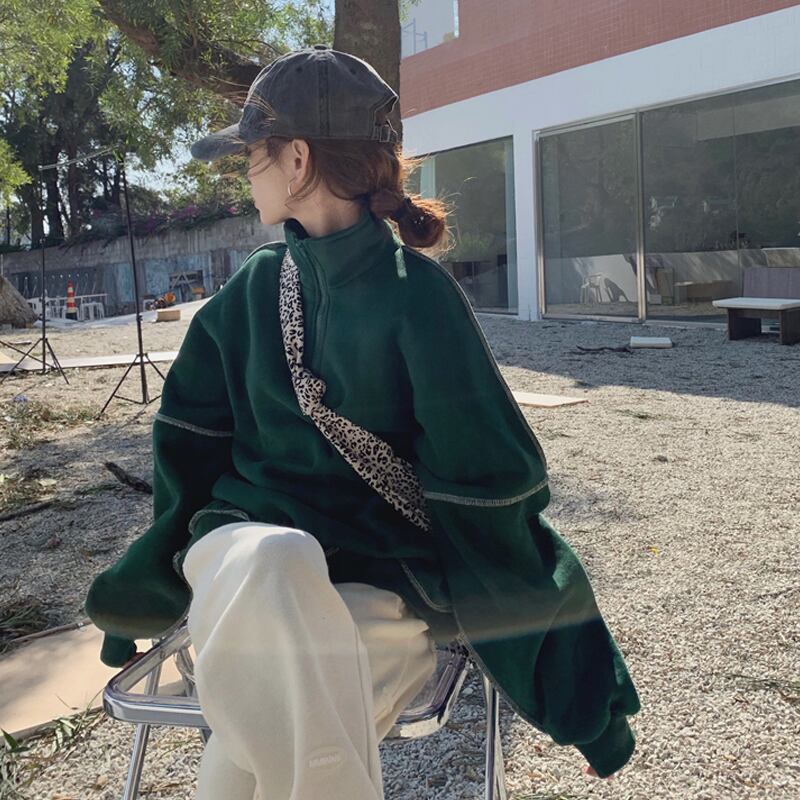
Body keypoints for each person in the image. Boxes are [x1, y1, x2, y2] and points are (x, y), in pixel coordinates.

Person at [85, 45, 640, 799]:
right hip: (242, 559)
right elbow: (187, 460)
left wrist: (582, 696)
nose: (244, 172)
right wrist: (139, 589)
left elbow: (490, 497)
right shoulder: (247, 296)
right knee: (275, 560)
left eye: (251, 152)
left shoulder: (419, 299)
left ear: (298, 159)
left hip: (378, 585)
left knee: (284, 703)